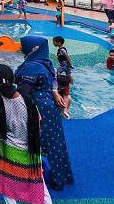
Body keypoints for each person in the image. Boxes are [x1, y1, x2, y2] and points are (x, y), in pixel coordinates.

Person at [0, 64, 52, 204]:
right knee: (37, 183)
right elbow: (39, 120)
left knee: (6, 184)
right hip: (28, 150)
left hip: (6, 150)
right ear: (13, 78)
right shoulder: (28, 99)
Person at [15, 36, 74, 190]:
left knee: (35, 140)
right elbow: (53, 78)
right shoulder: (44, 61)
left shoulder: (31, 67)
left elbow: (22, 92)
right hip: (50, 107)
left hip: (37, 108)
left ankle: (34, 176)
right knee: (54, 141)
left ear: (33, 48)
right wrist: (54, 92)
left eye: (23, 45)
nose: (20, 47)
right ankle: (59, 176)